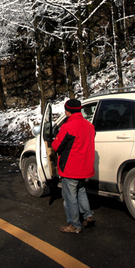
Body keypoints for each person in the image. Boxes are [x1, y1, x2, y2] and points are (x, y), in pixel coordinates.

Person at [52, 98, 96, 233]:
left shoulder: (67, 127)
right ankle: (88, 216)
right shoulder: (89, 125)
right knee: (81, 191)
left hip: (71, 168)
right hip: (85, 167)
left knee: (69, 197)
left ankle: (74, 225)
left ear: (68, 112)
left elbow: (56, 146)